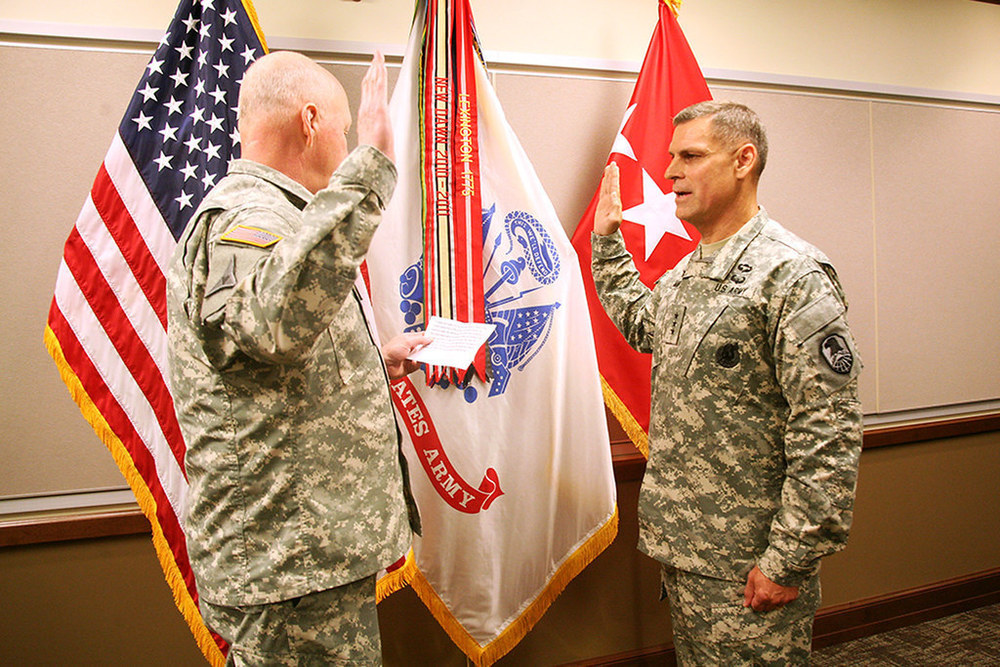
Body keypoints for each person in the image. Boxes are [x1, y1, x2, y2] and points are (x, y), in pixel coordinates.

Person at [166, 50, 428, 665]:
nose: (344, 144)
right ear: (310, 122)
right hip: (285, 566)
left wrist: (371, 360)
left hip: (305, 560)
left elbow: (269, 357)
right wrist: (370, 169)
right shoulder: (248, 218)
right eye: (341, 131)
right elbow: (269, 325)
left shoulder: (287, 219)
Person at [591, 101, 863, 665]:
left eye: (690, 156)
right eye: (671, 158)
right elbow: (641, 324)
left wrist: (787, 559)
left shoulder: (793, 274)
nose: (670, 172)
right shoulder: (691, 269)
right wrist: (607, 243)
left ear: (744, 160)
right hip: (689, 551)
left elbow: (828, 434)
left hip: (750, 562)